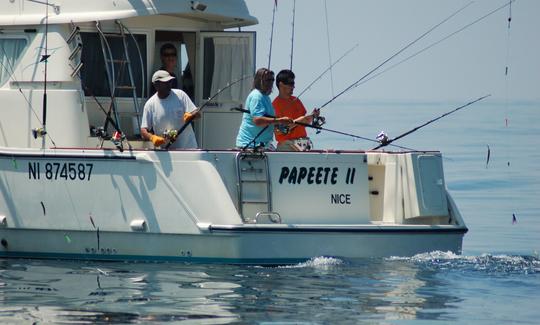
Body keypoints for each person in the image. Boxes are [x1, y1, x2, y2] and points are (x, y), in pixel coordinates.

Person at [141, 70, 200, 149]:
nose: (169, 84)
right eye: (165, 82)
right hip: (166, 152)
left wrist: (192, 115)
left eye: (170, 81)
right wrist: (152, 137)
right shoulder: (150, 104)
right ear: (156, 85)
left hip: (189, 149)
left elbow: (198, 114)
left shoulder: (181, 95)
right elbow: (143, 130)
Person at [236, 68, 292, 149]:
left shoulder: (266, 97)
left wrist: (280, 125)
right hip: (250, 145)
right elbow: (258, 120)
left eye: (272, 80)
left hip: (263, 145)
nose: (271, 82)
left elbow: (268, 120)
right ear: (259, 80)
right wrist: (280, 120)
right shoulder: (256, 96)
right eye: (268, 80)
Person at [273, 69, 320, 151]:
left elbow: (304, 123)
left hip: (303, 142)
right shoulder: (274, 105)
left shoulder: (296, 100)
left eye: (293, 83)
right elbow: (278, 131)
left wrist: (312, 116)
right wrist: (298, 121)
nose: (293, 87)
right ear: (281, 84)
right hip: (287, 144)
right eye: (290, 84)